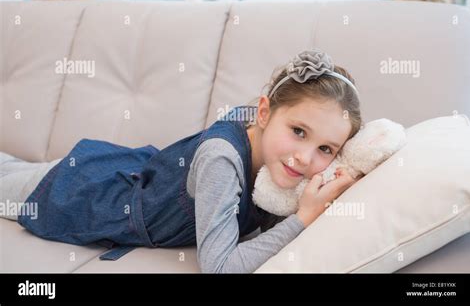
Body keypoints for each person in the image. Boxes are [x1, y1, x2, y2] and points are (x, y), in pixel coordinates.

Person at [0, 49, 363, 273]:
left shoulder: (270, 139)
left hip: (131, 170)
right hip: (94, 194)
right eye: (299, 131)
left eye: (326, 149)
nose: (304, 158)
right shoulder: (222, 159)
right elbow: (220, 268)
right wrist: (304, 217)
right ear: (264, 112)